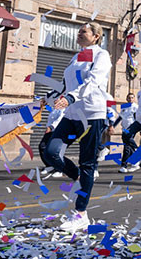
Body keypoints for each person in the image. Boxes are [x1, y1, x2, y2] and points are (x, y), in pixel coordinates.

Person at [41, 22, 111, 232]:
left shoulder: (102, 55)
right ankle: (78, 177)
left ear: (96, 36)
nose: (79, 34)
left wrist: (71, 97)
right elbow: (65, 86)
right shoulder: (76, 56)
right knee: (50, 151)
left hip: (90, 115)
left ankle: (81, 214)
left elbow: (93, 81)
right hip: (71, 115)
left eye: (84, 31)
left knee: (88, 162)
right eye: (79, 31)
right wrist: (46, 98)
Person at [38, 97, 65, 177]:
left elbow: (60, 120)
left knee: (55, 151)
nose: (55, 101)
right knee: (42, 146)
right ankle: (49, 165)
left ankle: (59, 169)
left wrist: (51, 127)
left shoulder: (63, 109)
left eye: (57, 99)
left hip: (58, 131)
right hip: (50, 131)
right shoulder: (54, 109)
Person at [118, 93, 141, 173]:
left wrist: (139, 129)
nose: (130, 99)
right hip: (124, 129)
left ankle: (125, 164)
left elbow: (137, 118)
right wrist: (113, 126)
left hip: (131, 129)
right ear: (126, 99)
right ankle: (129, 163)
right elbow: (120, 117)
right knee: (127, 147)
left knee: (128, 147)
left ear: (134, 99)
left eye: (132, 98)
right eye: (129, 98)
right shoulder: (124, 107)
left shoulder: (135, 107)